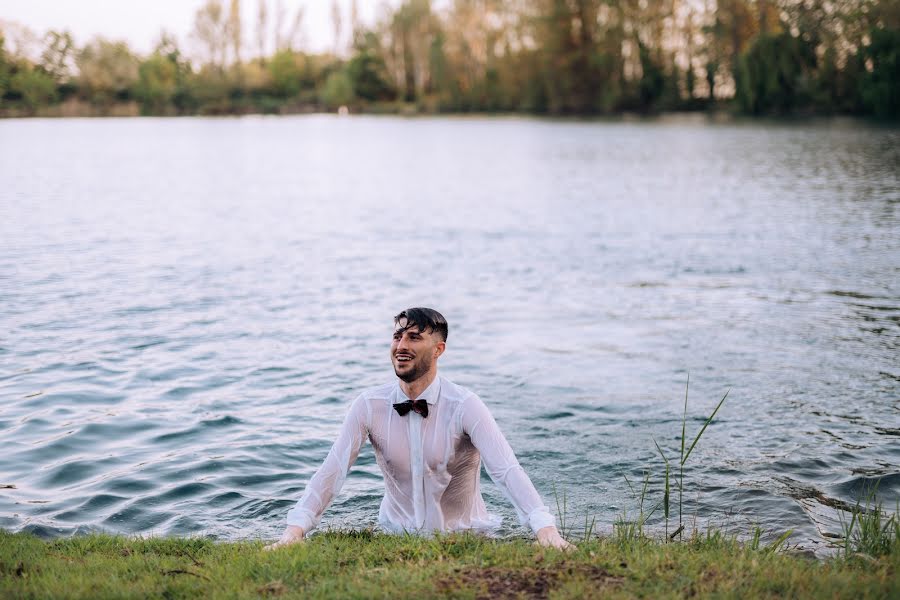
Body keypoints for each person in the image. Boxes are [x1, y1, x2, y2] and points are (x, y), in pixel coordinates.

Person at [266, 307, 571, 550]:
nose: (401, 345)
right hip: (394, 534)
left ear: (438, 349)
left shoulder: (466, 405)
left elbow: (507, 471)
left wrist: (545, 529)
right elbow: (332, 471)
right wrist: (294, 531)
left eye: (414, 337)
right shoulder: (368, 405)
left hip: (468, 536)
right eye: (397, 336)